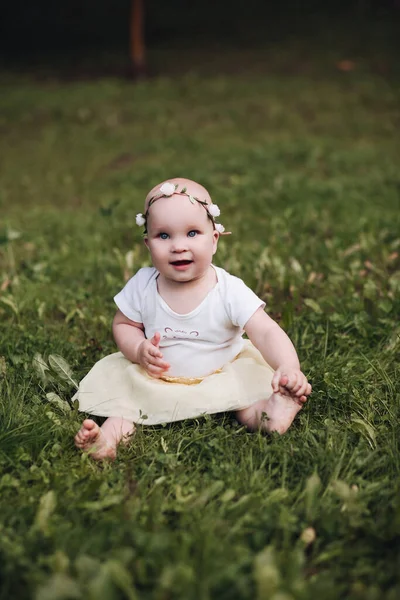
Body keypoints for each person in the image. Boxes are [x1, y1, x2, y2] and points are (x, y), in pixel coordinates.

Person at [74, 178, 312, 460]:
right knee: (127, 407)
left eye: (192, 233)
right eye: (164, 236)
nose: (178, 246)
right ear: (148, 244)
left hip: (221, 371)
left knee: (243, 402)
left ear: (214, 241)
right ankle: (107, 440)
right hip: (159, 376)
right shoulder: (142, 285)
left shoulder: (228, 289)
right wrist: (138, 350)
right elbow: (124, 325)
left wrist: (287, 366)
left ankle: (273, 413)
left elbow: (265, 331)